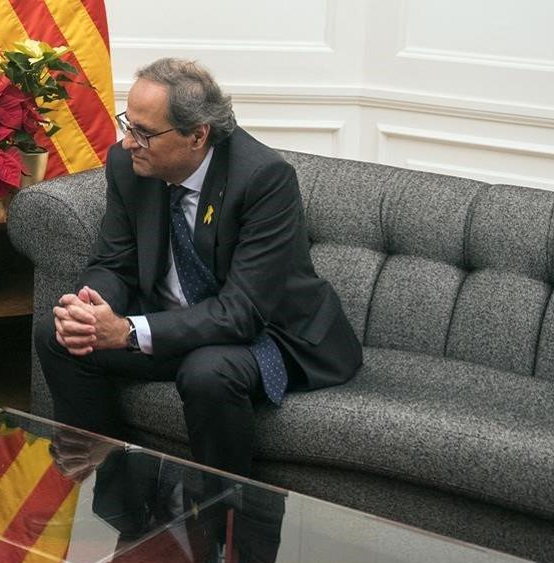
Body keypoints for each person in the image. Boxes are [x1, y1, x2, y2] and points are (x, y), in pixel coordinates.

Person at [35, 58, 361, 477]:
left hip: (269, 331)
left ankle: (225, 525)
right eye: (127, 124)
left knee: (208, 372)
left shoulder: (263, 178)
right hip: (179, 323)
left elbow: (241, 312)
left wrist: (129, 331)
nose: (129, 142)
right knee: (59, 335)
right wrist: (91, 308)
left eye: (144, 133)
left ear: (197, 135)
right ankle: (121, 491)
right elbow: (113, 262)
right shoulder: (129, 165)